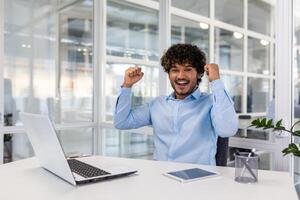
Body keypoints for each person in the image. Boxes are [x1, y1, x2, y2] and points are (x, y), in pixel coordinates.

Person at [114, 44, 238, 165]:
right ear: (169, 74)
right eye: (175, 70)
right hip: (161, 176)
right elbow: (122, 122)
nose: (181, 76)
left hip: (199, 179)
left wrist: (216, 81)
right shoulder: (157, 105)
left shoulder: (212, 103)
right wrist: (127, 86)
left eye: (188, 69)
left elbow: (227, 130)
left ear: (199, 73)